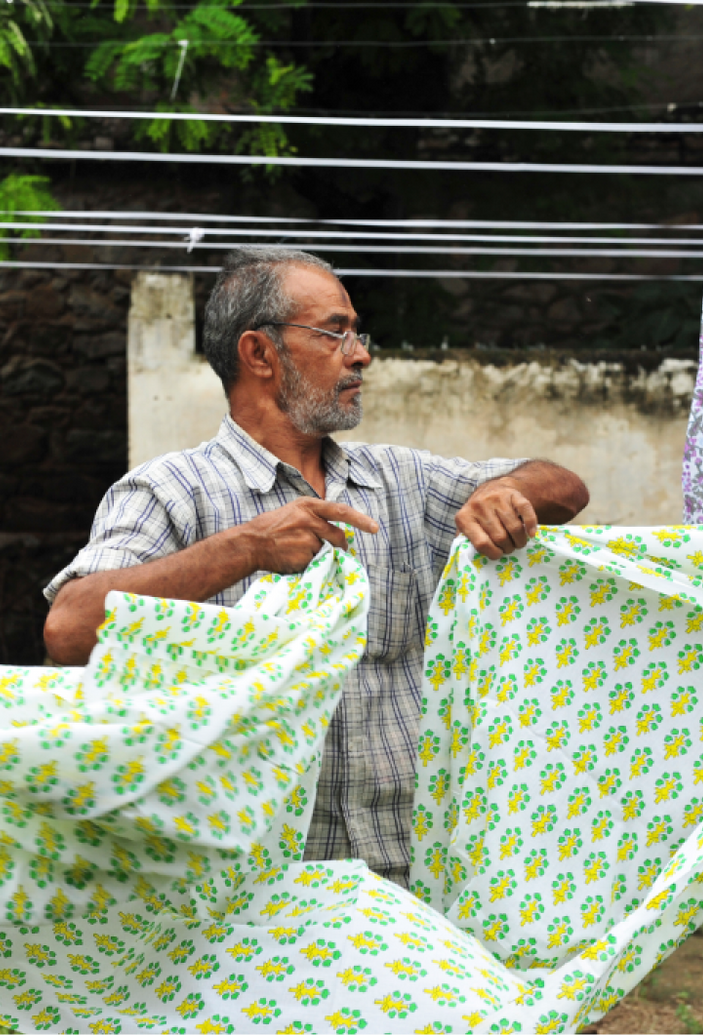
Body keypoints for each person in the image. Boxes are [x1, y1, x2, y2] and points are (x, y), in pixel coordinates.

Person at [43, 247, 589, 886]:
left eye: (357, 333)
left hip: (412, 868)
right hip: (246, 882)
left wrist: (506, 493)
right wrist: (244, 548)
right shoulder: (169, 491)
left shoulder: (401, 479)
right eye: (335, 332)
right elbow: (70, 628)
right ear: (260, 355)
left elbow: (565, 486)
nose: (360, 354)